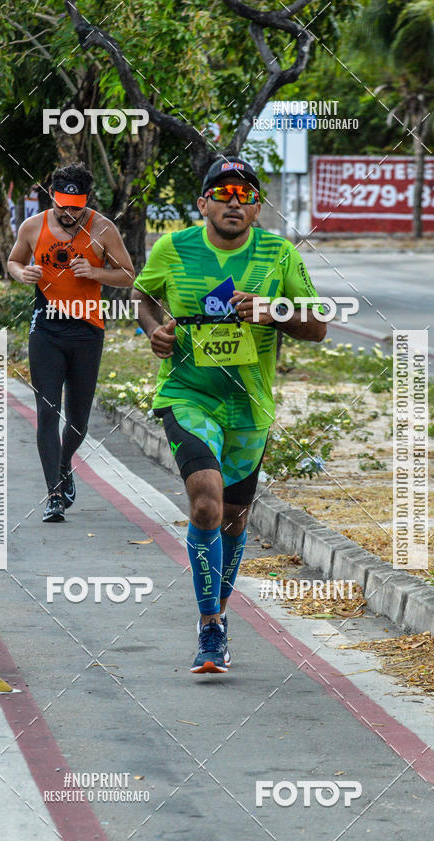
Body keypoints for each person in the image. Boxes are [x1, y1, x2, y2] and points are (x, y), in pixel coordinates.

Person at [134, 156, 326, 673]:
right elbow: (143, 297)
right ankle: (210, 624)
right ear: (203, 204)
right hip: (187, 393)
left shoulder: (279, 254)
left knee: (236, 520)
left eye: (245, 195)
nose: (234, 203)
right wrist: (154, 329)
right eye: (222, 194)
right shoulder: (173, 248)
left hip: (249, 406)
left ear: (257, 206)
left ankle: (217, 611)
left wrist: (272, 310)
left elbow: (318, 326)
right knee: (205, 506)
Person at [8, 162, 135, 522]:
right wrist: (23, 273)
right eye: (62, 205)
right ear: (52, 198)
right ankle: (52, 495)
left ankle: (65, 464)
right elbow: (13, 261)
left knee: (77, 418)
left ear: (87, 201)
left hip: (87, 331)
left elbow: (128, 274)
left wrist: (95, 272)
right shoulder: (33, 227)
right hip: (46, 328)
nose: (68, 214)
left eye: (75, 207)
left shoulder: (103, 229)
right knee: (47, 411)